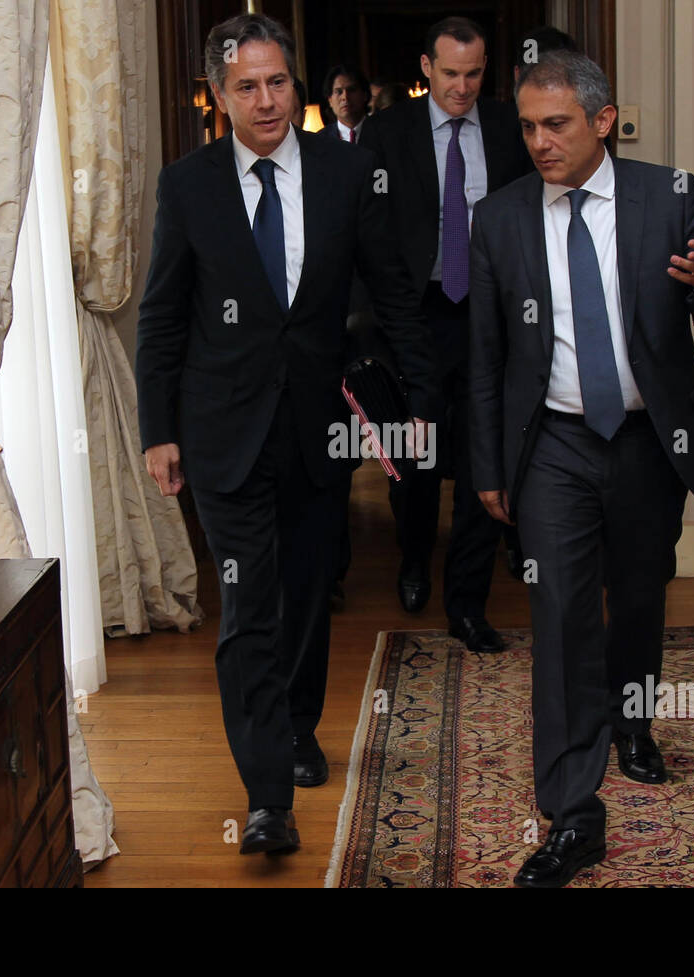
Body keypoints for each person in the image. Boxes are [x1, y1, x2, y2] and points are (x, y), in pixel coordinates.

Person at [135, 13, 437, 856]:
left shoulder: (349, 171)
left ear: (294, 85)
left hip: (319, 430)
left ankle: (299, 726)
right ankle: (266, 795)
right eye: (246, 86)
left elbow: (394, 292)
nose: (266, 101)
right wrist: (158, 429)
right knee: (249, 610)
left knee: (307, 595)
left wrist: (416, 403)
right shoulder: (188, 185)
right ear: (218, 95)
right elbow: (160, 318)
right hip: (222, 432)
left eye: (277, 82)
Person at [469, 50, 694, 887]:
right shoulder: (502, 217)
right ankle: (573, 811)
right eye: (526, 126)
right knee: (559, 610)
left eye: (555, 124)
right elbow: (483, 359)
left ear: (601, 120)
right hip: (551, 443)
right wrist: (487, 464)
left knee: (638, 589)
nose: (539, 142)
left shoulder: (670, 196)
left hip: (645, 440)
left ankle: (633, 721)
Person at [360, 15, 533, 652]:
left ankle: (467, 604)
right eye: (450, 73)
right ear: (426, 69)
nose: (462, 87)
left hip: (490, 315)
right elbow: (366, 238)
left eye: (474, 73)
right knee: (417, 455)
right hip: (417, 317)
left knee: (484, 457)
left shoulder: (508, 130)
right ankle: (412, 560)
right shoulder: (384, 134)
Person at [323, 64, 370, 142]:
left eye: (351, 90)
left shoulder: (383, 133)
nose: (345, 97)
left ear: (364, 95)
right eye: (338, 92)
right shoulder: (321, 140)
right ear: (330, 100)